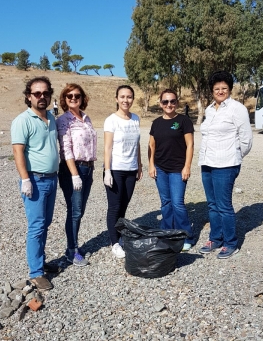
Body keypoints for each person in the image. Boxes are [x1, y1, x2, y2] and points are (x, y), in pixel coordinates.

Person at [11, 76, 59, 290]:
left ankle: (40, 261)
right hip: (35, 181)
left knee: (45, 224)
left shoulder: (51, 117)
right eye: (37, 93)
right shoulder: (23, 120)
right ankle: (36, 273)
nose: (42, 96)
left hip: (51, 179)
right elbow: (17, 151)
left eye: (45, 93)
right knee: (36, 226)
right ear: (28, 96)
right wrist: (25, 179)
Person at [199, 71, 253, 259]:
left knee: (224, 205)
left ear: (229, 89)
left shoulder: (237, 109)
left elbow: (246, 139)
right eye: (216, 88)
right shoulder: (209, 109)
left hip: (226, 164)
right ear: (212, 91)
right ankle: (215, 238)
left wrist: (235, 157)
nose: (220, 91)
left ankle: (230, 243)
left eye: (224, 88)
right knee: (212, 205)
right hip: (207, 163)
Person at [149, 89, 195, 250]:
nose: (169, 104)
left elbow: (190, 145)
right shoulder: (156, 123)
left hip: (178, 169)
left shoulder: (183, 121)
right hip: (160, 169)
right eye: (165, 101)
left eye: (172, 101)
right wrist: (151, 165)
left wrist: (187, 166)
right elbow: (152, 145)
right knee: (166, 203)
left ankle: (186, 236)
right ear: (160, 103)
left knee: (178, 204)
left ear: (177, 102)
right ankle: (167, 233)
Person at [56, 83, 96, 266]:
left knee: (79, 211)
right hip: (73, 169)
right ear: (64, 99)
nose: (73, 98)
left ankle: (73, 246)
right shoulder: (64, 120)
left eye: (77, 95)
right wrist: (74, 174)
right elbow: (66, 149)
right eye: (69, 96)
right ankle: (71, 251)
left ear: (82, 98)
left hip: (88, 168)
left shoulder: (86, 118)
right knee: (75, 211)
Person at [104, 85, 142, 258]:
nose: (126, 100)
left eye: (129, 97)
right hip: (116, 169)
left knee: (124, 206)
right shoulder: (111, 120)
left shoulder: (136, 119)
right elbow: (107, 147)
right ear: (116, 99)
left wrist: (139, 166)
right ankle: (114, 243)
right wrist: (107, 170)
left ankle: (120, 237)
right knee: (114, 207)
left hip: (131, 169)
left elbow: (137, 144)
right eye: (122, 97)